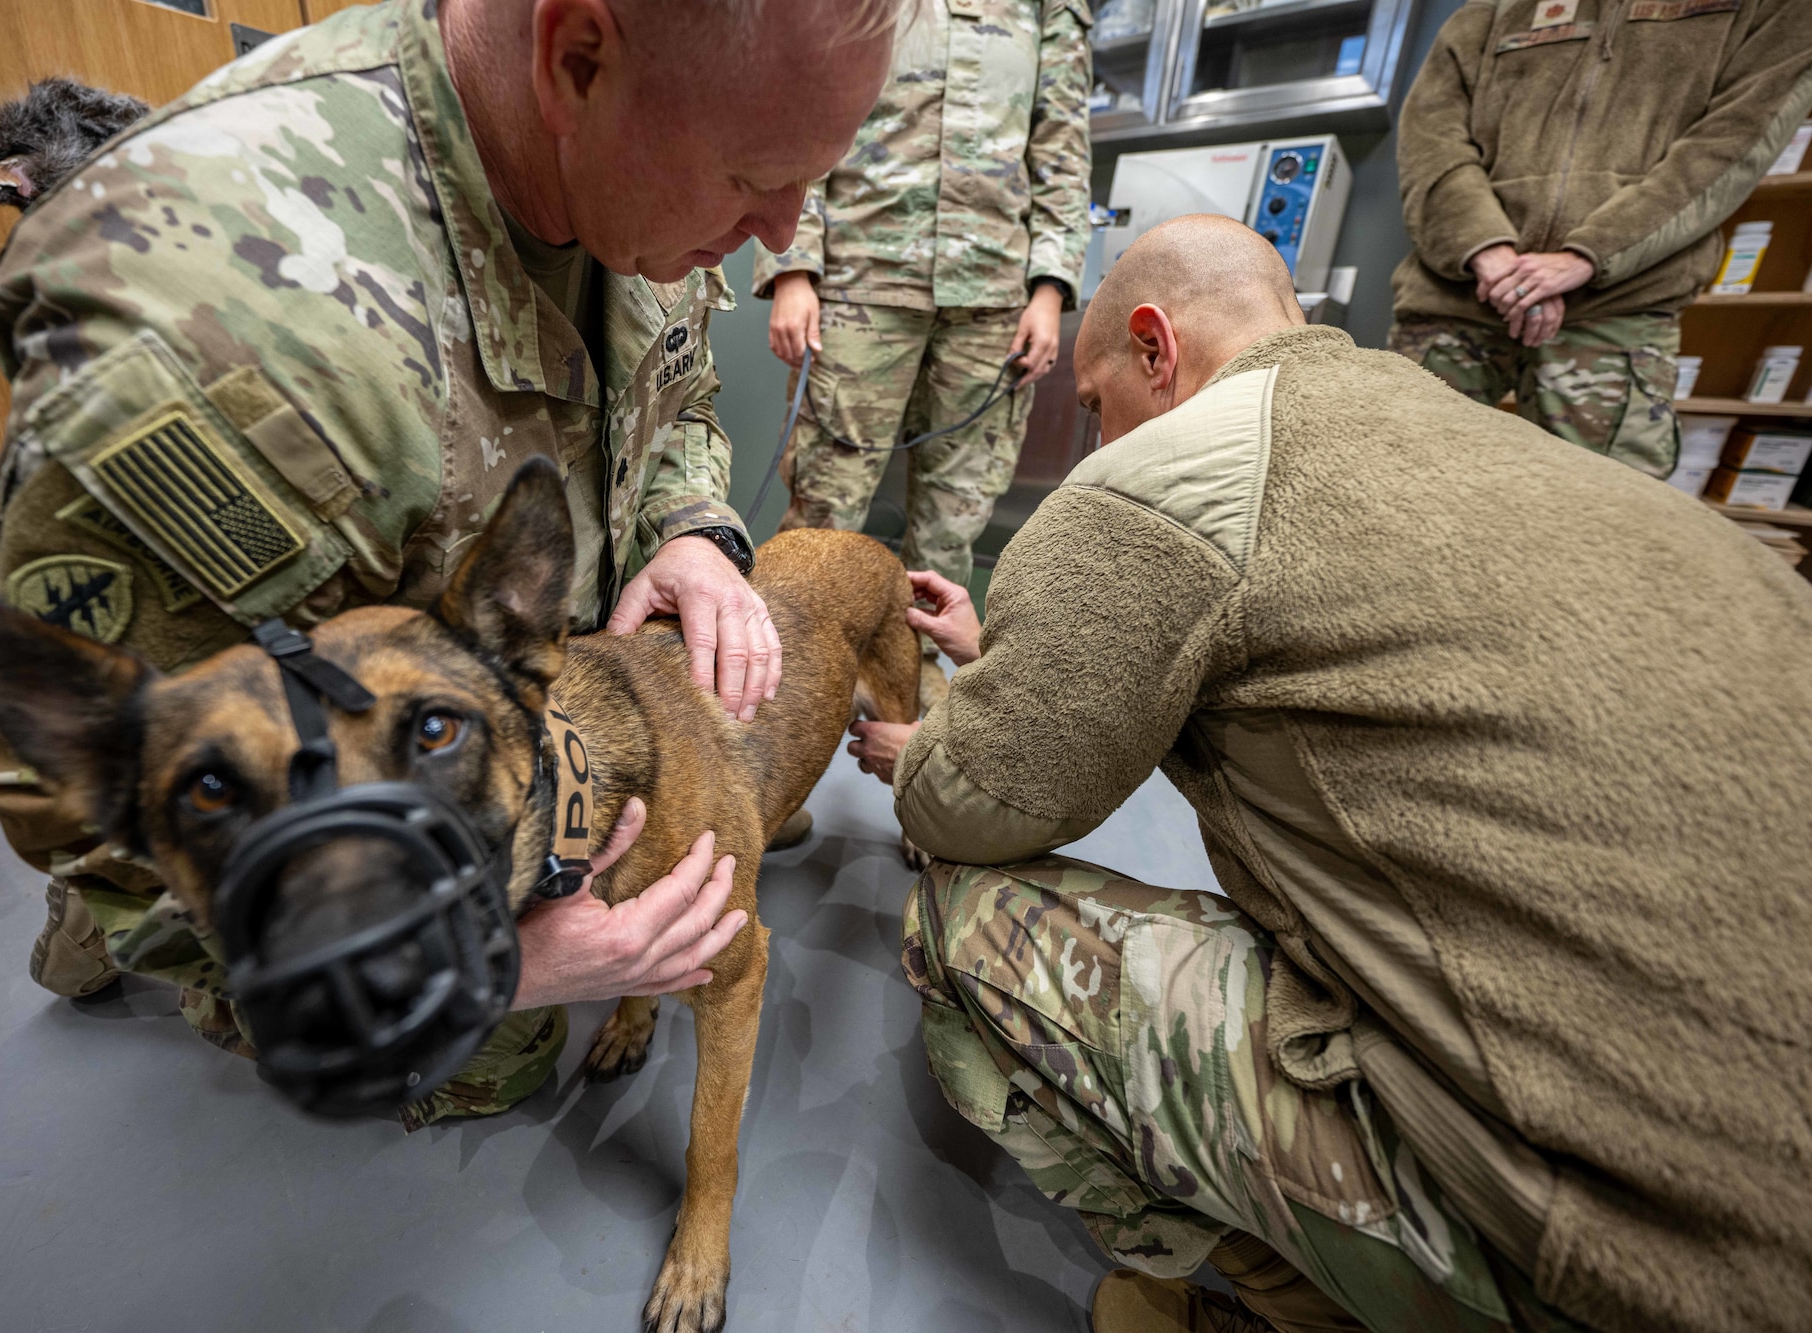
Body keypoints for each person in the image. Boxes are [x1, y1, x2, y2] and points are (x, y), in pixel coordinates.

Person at [851, 213, 1812, 1332]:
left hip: (1644, 1253)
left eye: (1097, 401)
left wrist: (927, 745)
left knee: (961, 922)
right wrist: (1012, 653)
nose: (1093, 435)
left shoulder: (1159, 476)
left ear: (1155, 348)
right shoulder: (1464, 428)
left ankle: (1285, 1305)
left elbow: (968, 805)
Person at [0, 0, 899, 1124]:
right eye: (754, 179)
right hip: (299, 763)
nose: (785, 235)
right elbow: (50, 778)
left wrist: (691, 526)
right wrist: (496, 967)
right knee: (485, 1055)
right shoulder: (204, 328)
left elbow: (678, 388)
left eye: (808, 185)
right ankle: (120, 937)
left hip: (511, 697)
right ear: (576, 59)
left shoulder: (633, 162)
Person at [755, 0, 1091, 708]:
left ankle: (924, 748)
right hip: (859, 280)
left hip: (994, 298)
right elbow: (799, 100)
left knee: (951, 528)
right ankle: (785, 709)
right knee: (823, 515)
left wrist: (1051, 287)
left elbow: (1061, 142)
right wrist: (793, 266)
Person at [1388, 0, 1812, 476]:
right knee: (1390, 477)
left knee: (1603, 513)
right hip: (1459, 295)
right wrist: (1487, 249)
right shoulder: (1494, 7)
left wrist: (1586, 257)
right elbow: (1431, 135)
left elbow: (1731, 145)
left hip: (1618, 305)